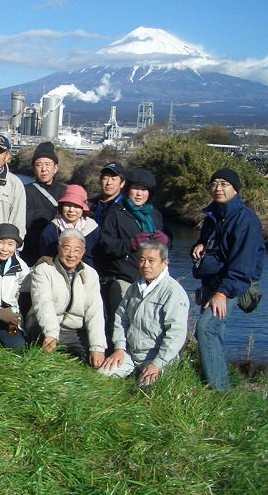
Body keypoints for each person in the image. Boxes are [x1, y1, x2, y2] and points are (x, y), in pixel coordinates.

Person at [192, 168, 265, 392]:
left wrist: (223, 293)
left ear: (235, 188)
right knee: (215, 333)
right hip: (211, 281)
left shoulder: (246, 219)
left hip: (230, 286)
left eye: (224, 184)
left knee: (206, 328)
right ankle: (221, 384)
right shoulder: (214, 216)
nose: (218, 188)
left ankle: (217, 391)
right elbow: (209, 243)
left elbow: (243, 263)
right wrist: (199, 245)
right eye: (214, 184)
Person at [99, 240, 189, 387]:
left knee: (145, 391)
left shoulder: (173, 292)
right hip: (130, 352)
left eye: (151, 260)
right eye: (142, 260)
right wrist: (119, 348)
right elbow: (121, 317)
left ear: (165, 263)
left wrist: (158, 364)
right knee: (101, 377)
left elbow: (176, 334)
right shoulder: (135, 287)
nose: (145, 265)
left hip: (157, 357)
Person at [99, 167, 170, 343]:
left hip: (152, 278)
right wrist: (130, 244)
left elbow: (169, 243)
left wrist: (167, 240)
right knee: (120, 320)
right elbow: (106, 245)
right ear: (128, 189)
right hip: (124, 276)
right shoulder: (116, 212)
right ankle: (115, 352)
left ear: (150, 193)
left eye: (144, 190)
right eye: (135, 188)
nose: (139, 194)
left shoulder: (155, 214)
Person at [25, 229, 106, 367]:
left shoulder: (91, 274)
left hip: (74, 329)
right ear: (58, 248)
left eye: (76, 250)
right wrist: (51, 334)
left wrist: (97, 347)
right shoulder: (44, 270)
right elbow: (43, 303)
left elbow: (95, 311)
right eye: (67, 248)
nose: (71, 255)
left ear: (83, 253)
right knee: (45, 362)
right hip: (44, 325)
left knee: (90, 362)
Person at [22, 141, 67, 265]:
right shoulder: (25, 191)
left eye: (48, 164)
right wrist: (54, 214)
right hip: (31, 253)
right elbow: (24, 217)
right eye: (39, 165)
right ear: (33, 168)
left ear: (55, 168)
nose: (43, 169)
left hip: (60, 254)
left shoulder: (65, 192)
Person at [39, 185, 100, 267]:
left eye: (76, 206)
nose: (71, 210)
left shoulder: (93, 229)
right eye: (68, 205)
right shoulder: (51, 231)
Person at [91, 162, 127, 228]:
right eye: (105, 178)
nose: (109, 183)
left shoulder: (125, 208)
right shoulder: (91, 205)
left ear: (122, 183)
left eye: (113, 179)